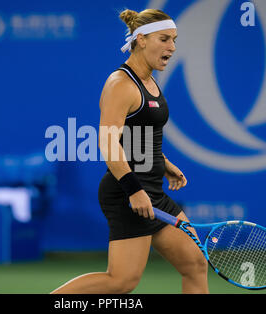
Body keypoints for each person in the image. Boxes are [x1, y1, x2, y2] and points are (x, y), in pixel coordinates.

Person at [51, 8, 209, 294]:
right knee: (121, 281)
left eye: (174, 40)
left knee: (195, 264)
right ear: (142, 39)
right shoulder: (120, 84)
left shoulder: (150, 81)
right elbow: (108, 143)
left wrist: (162, 162)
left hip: (153, 192)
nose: (172, 47)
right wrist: (134, 190)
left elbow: (137, 138)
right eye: (164, 39)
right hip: (127, 191)